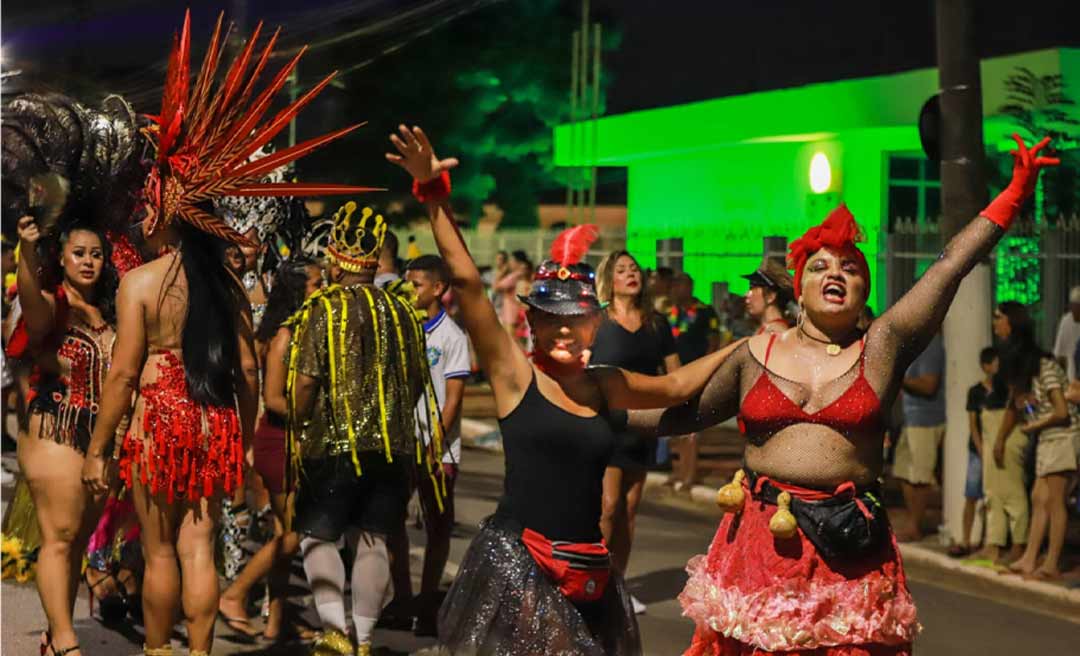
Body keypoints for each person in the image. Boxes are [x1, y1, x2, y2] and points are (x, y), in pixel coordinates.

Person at [627, 134, 1057, 656]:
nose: (836, 273)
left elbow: (949, 267)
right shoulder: (753, 353)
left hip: (850, 551)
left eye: (850, 268)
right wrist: (588, 414)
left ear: (863, 292)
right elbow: (679, 417)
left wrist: (1015, 191)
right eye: (821, 267)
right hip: (762, 546)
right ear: (799, 290)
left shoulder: (882, 347)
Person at [387, 124, 742, 655]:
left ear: (595, 325)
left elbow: (676, 385)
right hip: (520, 563)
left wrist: (751, 345)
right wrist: (434, 197)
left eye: (576, 319)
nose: (563, 330)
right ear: (531, 323)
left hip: (589, 566)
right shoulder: (514, 376)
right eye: (550, 319)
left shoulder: (605, 385)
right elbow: (467, 284)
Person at [80, 14, 366, 655]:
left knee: (159, 553)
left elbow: (124, 372)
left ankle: (159, 652)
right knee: (200, 546)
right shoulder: (227, 285)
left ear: (164, 204)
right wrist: (235, 442)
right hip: (213, 422)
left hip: (159, 418)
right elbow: (244, 366)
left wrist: (101, 446)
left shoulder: (142, 283)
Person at [287, 201, 439, 656]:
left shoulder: (323, 309)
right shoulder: (402, 313)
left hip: (331, 446)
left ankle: (335, 632)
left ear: (335, 261)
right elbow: (416, 381)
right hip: (393, 447)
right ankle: (366, 639)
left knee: (318, 535)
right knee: (374, 538)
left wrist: (298, 421)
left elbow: (307, 381)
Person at [15, 215, 118, 656]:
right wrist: (26, 252)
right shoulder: (53, 303)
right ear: (62, 257)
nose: (89, 261)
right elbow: (32, 309)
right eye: (79, 253)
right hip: (54, 430)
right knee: (58, 536)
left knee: (76, 540)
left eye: (96, 254)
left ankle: (53, 633)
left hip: (98, 440)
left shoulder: (111, 310)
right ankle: (67, 642)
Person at [217, 257, 324, 641]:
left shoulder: (301, 330)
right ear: (297, 290)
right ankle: (234, 594)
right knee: (296, 532)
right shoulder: (285, 336)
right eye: (315, 283)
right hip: (280, 442)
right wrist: (317, 411)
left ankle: (277, 624)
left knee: (284, 536)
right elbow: (274, 398)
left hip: (290, 441)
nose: (323, 288)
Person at [593, 250, 681, 616]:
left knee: (629, 509)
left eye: (634, 269)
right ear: (609, 281)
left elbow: (675, 374)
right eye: (622, 270)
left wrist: (678, 417)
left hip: (643, 427)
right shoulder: (597, 321)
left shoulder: (656, 324)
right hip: (604, 426)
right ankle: (594, 582)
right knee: (608, 507)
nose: (631, 274)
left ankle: (619, 585)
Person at [400, 254, 471, 636]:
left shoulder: (452, 338)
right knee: (392, 522)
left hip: (437, 451)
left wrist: (434, 444)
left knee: (437, 528)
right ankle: (402, 597)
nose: (409, 290)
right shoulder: (403, 328)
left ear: (438, 289)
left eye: (416, 285)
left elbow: (454, 400)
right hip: (401, 445)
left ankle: (427, 605)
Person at [1000, 318, 1080, 581]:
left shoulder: (1045, 368)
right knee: (1038, 497)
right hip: (1049, 437)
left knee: (1055, 501)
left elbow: (1061, 411)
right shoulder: (1034, 376)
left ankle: (1051, 563)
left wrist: (1032, 426)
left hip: (1062, 437)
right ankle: (1030, 558)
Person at [978, 303, 1033, 564]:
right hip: (996, 422)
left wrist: (1000, 437)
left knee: (1011, 489)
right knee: (994, 490)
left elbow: (1016, 398)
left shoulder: (1019, 354)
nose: (994, 322)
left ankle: (1019, 544)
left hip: (1007, 426)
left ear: (1011, 321)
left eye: (998, 317)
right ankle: (995, 544)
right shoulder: (1005, 350)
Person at [950, 347, 1006, 557]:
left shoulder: (1003, 390)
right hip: (979, 450)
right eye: (994, 363)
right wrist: (981, 448)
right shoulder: (976, 391)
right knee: (972, 494)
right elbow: (973, 424)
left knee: (994, 497)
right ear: (986, 366)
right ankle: (965, 539)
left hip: (997, 449)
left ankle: (989, 541)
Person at [892, 331, 946, 542]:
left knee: (921, 476)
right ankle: (913, 523)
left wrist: (899, 378)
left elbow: (928, 385)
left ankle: (916, 525)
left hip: (927, 419)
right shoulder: (916, 345)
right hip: (911, 419)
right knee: (904, 472)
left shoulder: (931, 344)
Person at [669, 272, 722, 365]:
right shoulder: (669, 312)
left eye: (679, 284)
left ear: (690, 286)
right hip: (674, 368)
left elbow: (714, 340)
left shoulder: (706, 311)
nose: (674, 289)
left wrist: (706, 365)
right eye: (673, 285)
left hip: (697, 365)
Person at [741, 259, 794, 336]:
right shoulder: (766, 329)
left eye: (753, 288)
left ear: (770, 296)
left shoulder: (775, 333)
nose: (746, 294)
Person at [1053, 286, 1080, 381]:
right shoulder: (1066, 321)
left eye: (1076, 307)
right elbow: (1059, 355)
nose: (1072, 311)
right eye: (1071, 306)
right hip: (1072, 380)